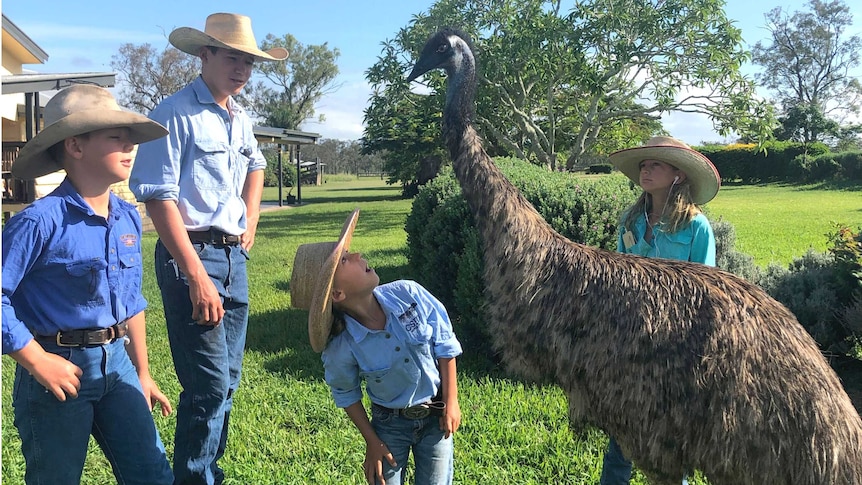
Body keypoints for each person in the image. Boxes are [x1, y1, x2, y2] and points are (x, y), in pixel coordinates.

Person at [128, 12, 288, 485]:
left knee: (228, 383)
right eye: (233, 57)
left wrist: (251, 215)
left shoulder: (240, 119)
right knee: (208, 386)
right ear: (205, 55)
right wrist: (196, 275)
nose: (242, 69)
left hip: (234, 259)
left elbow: (255, 166)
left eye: (249, 62)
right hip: (191, 258)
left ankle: (207, 472)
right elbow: (158, 197)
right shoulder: (173, 113)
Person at [1, 84, 173, 485]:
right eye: (116, 136)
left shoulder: (129, 218)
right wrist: (37, 361)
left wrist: (143, 372)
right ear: (75, 147)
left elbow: (132, 302)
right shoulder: (39, 222)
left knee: (152, 474)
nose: (130, 145)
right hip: (57, 370)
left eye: (131, 136)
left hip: (118, 364)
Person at [289, 209, 463, 485]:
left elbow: (444, 343)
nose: (358, 256)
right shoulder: (342, 345)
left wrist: (451, 401)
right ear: (337, 295)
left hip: (436, 417)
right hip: (388, 427)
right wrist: (372, 440)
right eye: (345, 260)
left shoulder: (409, 294)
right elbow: (345, 392)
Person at [601, 135, 721, 484]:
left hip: (673, 348)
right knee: (619, 438)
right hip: (630, 344)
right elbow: (617, 277)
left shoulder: (696, 226)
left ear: (678, 175)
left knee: (670, 441)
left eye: (655, 163)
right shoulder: (631, 221)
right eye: (643, 164)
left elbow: (706, 292)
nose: (646, 169)